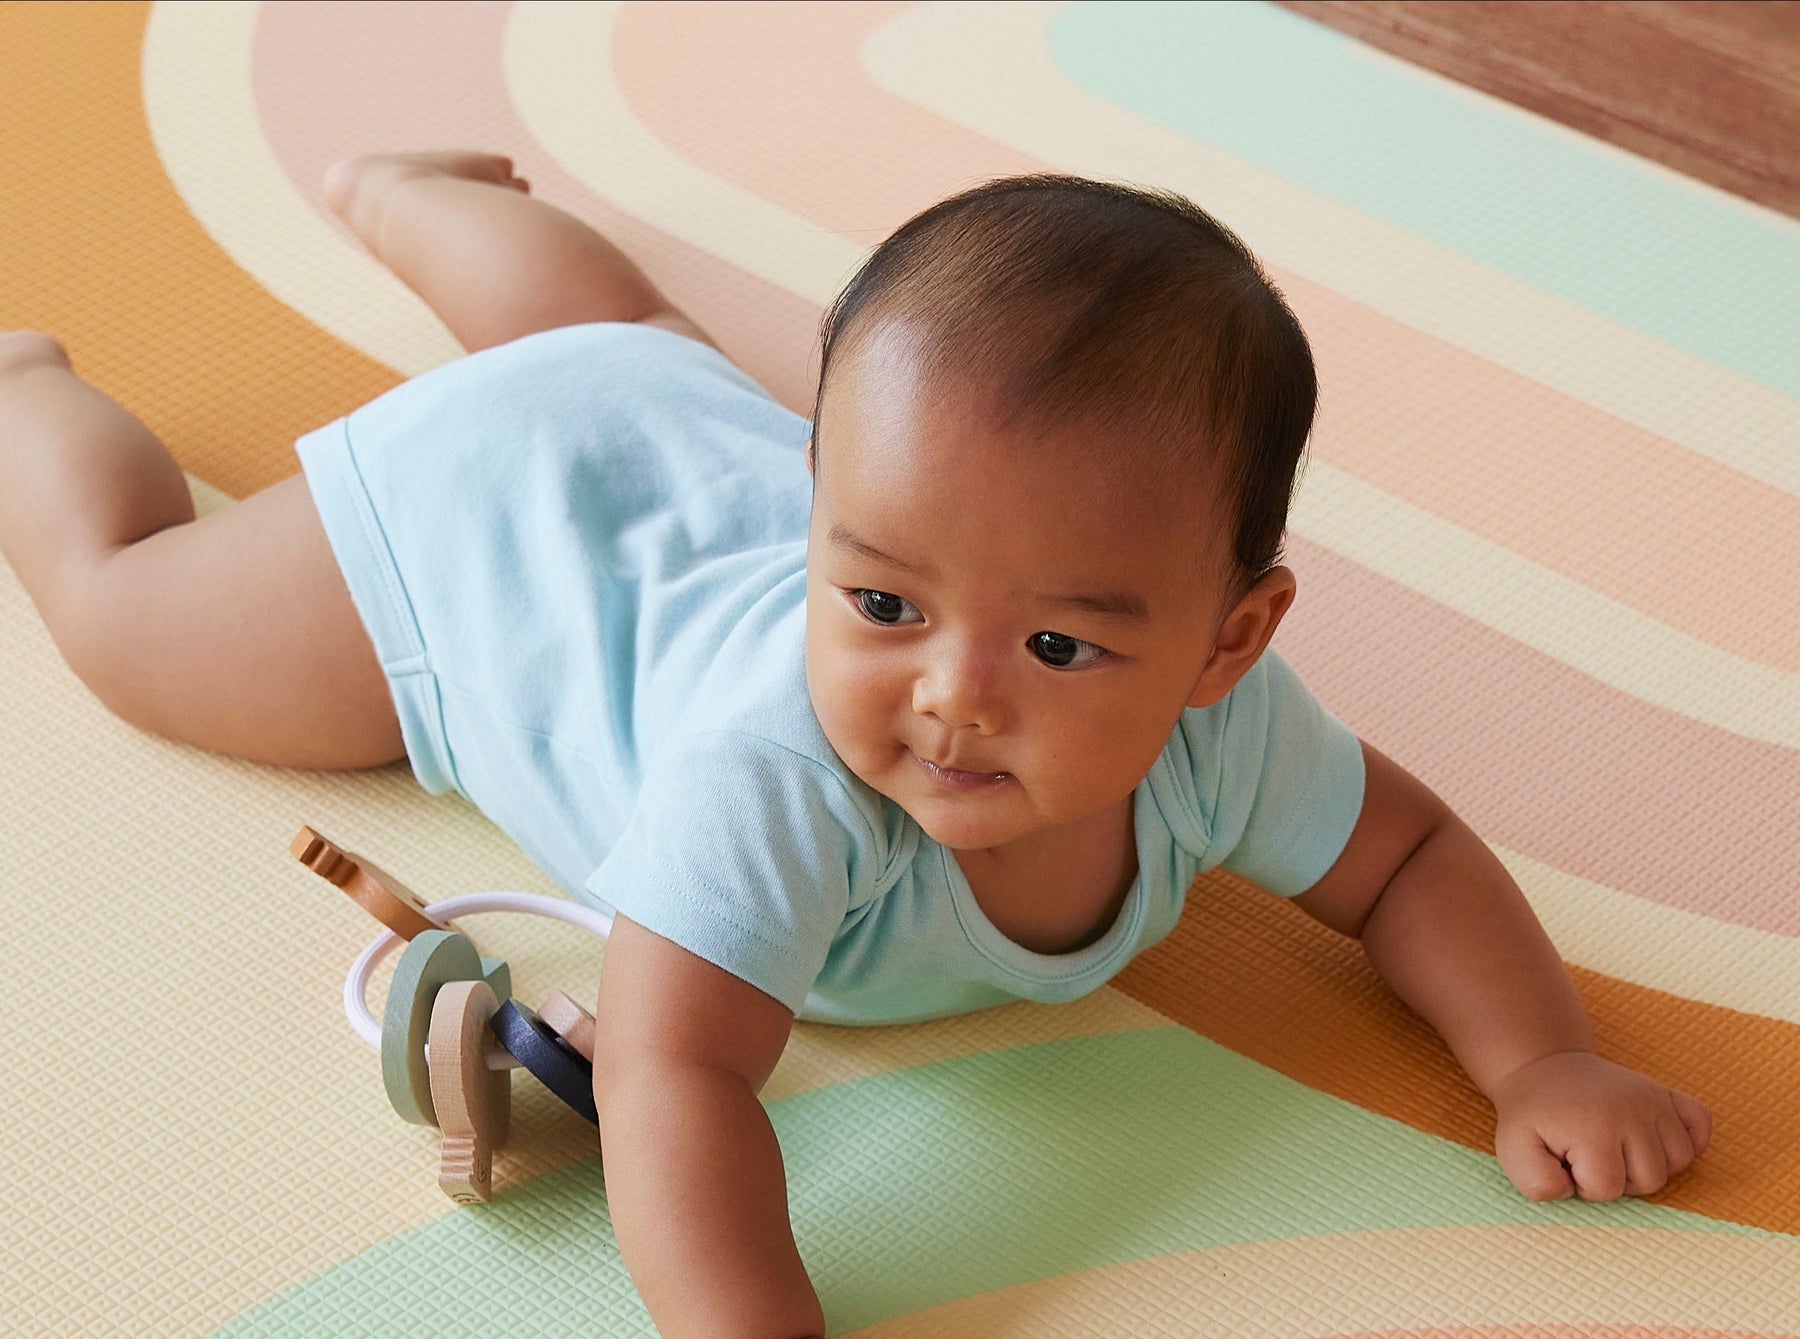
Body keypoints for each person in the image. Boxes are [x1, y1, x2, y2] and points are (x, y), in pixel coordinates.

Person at [0, 152, 1711, 1337]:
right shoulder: (776, 779)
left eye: (1057, 645)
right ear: (826, 507)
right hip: (480, 560)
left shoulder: (1230, 739)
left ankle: (424, 204)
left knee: (631, 354)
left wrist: (1538, 1059)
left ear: (1227, 643)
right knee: (134, 619)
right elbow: (672, 1072)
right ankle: (34, 390)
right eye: (882, 603)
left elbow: (1408, 858)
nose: (951, 696)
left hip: (672, 440)